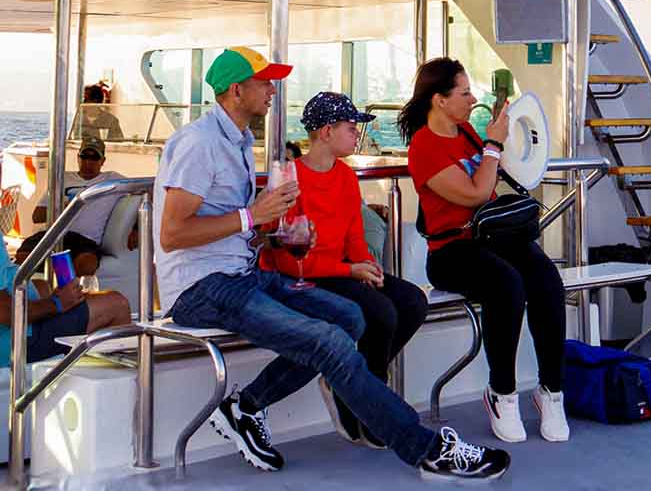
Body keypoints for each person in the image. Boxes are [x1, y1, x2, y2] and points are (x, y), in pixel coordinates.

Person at [154, 46, 508, 480]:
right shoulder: (199, 143)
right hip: (203, 287)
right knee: (330, 340)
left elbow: (238, 225)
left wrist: (270, 230)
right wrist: (254, 216)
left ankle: (244, 407)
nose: (272, 90)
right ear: (235, 90)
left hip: (242, 274)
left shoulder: (239, 142)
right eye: (264, 82)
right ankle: (427, 449)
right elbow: (173, 234)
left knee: (350, 320)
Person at [403, 58, 569, 444]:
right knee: (506, 285)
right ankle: (502, 393)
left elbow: (495, 172)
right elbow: (476, 193)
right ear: (439, 100)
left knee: (546, 280)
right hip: (451, 252)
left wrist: (502, 137)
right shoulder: (424, 147)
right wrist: (493, 143)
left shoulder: (465, 132)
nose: (471, 99)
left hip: (492, 239)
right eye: (464, 93)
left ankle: (552, 391)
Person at [262, 92, 428, 449]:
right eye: (351, 128)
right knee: (381, 313)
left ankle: (350, 385)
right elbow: (286, 256)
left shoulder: (346, 177)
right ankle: (370, 407)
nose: (357, 135)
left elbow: (354, 235)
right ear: (326, 132)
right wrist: (351, 270)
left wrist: (367, 265)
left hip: (340, 270)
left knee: (413, 302)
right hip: (301, 276)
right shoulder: (290, 178)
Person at [0, 238, 129, 368]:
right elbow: (5, 312)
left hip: (18, 328)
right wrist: (57, 303)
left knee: (43, 286)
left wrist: (55, 300)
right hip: (15, 342)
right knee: (117, 304)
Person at [25, 135, 133, 277]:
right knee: (23, 257)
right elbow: (37, 216)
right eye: (84, 156)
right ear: (78, 158)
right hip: (55, 236)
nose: (88, 162)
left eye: (94, 158)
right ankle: (56, 282)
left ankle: (63, 285)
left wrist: (136, 228)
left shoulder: (112, 180)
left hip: (86, 241)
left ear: (103, 161)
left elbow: (147, 191)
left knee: (87, 264)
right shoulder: (62, 179)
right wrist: (62, 207)